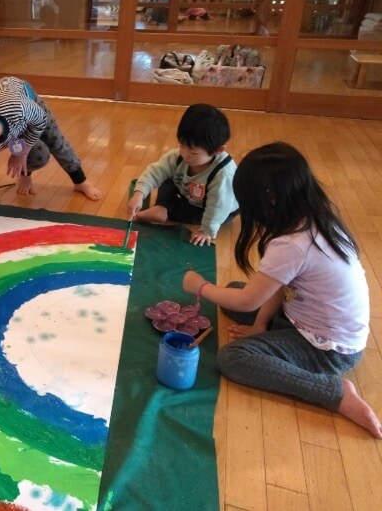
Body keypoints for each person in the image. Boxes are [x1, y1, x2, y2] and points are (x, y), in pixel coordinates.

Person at [183, 142, 381, 438]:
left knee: (232, 358)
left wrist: (201, 287)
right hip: (307, 319)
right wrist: (261, 324)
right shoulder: (315, 217)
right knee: (234, 291)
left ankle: (334, 393)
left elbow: (249, 300)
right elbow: (279, 286)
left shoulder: (292, 244)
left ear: (269, 201)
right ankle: (272, 329)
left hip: (328, 348)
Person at [0, 76, 102, 231]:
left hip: (27, 103)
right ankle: (25, 176)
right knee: (31, 152)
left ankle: (81, 181)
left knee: (55, 141)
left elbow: (40, 120)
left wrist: (21, 153)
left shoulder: (20, 109)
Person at [126, 103, 238, 246]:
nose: (185, 154)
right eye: (182, 146)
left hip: (217, 207)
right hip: (189, 193)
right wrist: (139, 194)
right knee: (167, 175)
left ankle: (166, 211)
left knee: (192, 214)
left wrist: (207, 230)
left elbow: (218, 206)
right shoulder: (179, 157)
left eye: (193, 152)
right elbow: (155, 172)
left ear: (218, 150)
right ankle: (162, 207)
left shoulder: (223, 175)